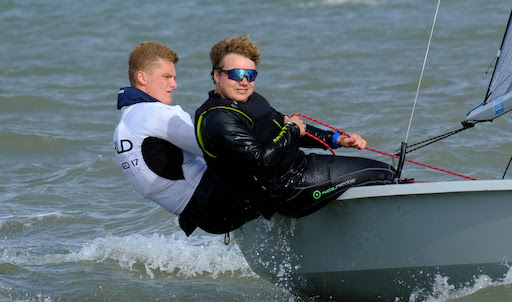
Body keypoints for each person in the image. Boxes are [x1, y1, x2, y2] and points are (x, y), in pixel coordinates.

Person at [193, 34, 396, 219]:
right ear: (217, 75)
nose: (245, 82)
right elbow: (261, 159)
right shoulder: (220, 119)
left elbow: (293, 127)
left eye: (251, 75)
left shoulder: (249, 101)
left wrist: (337, 139)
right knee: (385, 173)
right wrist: (291, 130)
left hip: (302, 169)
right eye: (236, 74)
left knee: (378, 170)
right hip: (287, 189)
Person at [113, 41, 261, 236]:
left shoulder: (123, 126)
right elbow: (220, 149)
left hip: (201, 217)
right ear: (142, 77)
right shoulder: (157, 114)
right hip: (220, 203)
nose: (174, 84)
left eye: (174, 77)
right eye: (167, 77)